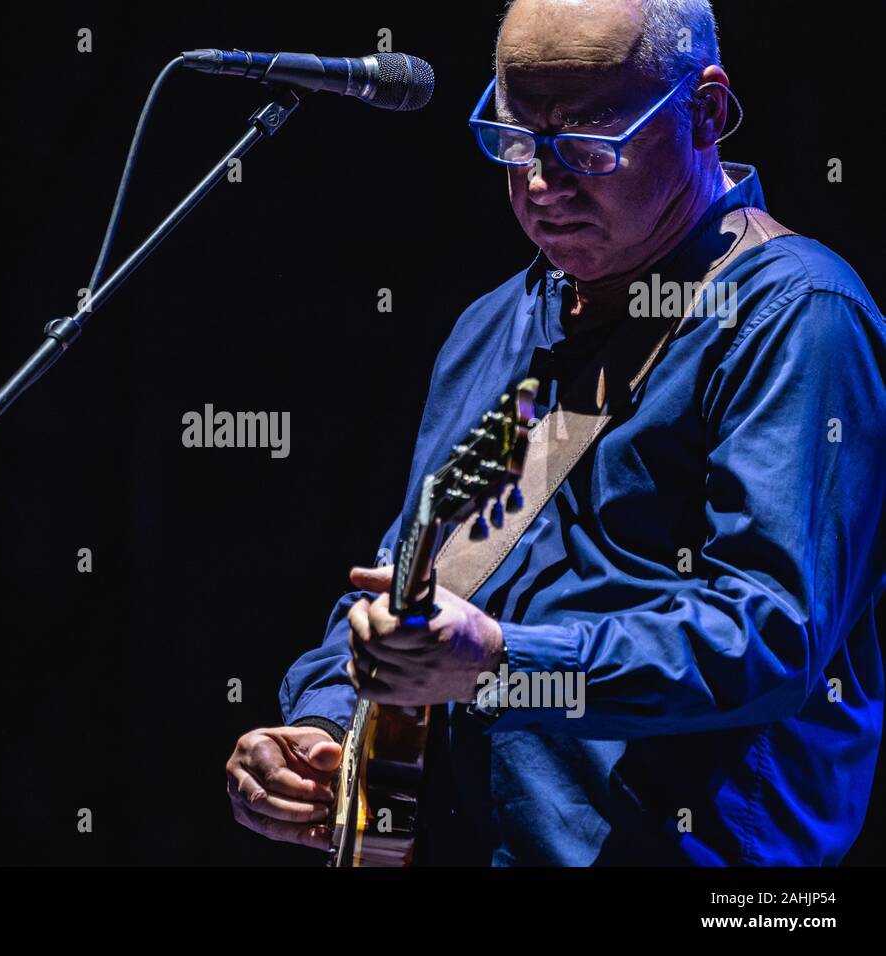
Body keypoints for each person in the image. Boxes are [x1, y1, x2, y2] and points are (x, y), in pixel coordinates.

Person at [226, 0, 886, 865]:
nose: (542, 182)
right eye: (515, 139)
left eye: (588, 145)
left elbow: (771, 634)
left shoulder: (796, 315)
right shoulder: (498, 323)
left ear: (706, 111)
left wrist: (502, 663)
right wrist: (322, 723)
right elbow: (416, 576)